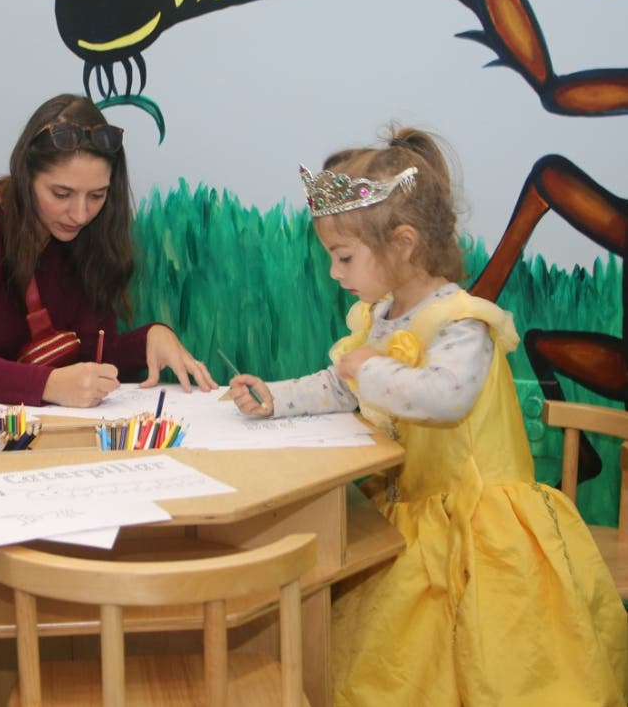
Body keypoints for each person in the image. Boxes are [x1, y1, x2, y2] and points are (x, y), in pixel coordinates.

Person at [229, 127, 627, 705]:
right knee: (399, 658)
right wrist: (275, 398)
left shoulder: (462, 322)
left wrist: (367, 370)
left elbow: (444, 397)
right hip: (412, 510)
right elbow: (341, 384)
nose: (335, 274)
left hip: (480, 528)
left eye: (343, 259)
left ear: (404, 243)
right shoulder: (380, 317)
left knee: (490, 660)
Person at [0, 93, 217, 410]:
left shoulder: (91, 237)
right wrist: (49, 385)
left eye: (97, 196)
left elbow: (84, 358)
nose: (80, 214)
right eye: (61, 194)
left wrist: (149, 339)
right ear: (25, 176)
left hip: (9, 407)